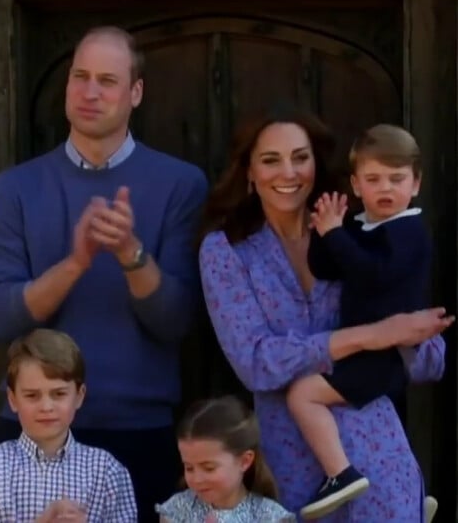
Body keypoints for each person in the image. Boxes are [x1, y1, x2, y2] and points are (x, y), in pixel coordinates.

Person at [0, 25, 208, 522]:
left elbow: (177, 321)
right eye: (79, 76)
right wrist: (76, 263)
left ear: (136, 92)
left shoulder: (180, 184)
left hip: (139, 431)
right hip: (31, 435)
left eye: (107, 80)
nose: (89, 91)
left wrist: (130, 254)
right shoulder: (14, 189)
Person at [198, 107, 452, 521]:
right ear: (249, 171)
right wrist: (372, 336)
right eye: (270, 160)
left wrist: (412, 338)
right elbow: (257, 363)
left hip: (380, 457)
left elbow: (430, 358)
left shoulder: (358, 233)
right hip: (294, 465)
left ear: (316, 165)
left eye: (300, 157)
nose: (288, 172)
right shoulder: (226, 251)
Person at [286, 125, 433, 519]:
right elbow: (325, 267)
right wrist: (325, 228)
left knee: (303, 394)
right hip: (363, 350)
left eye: (397, 179)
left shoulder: (408, 231)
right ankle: (410, 496)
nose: (386, 188)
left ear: (416, 184)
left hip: (381, 357)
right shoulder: (365, 227)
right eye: (373, 179)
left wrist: (337, 234)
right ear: (356, 184)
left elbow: (372, 274)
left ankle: (341, 474)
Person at [0, 329, 137, 522]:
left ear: (79, 396)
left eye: (59, 394)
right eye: (32, 395)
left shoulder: (107, 470)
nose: (46, 407)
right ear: (13, 399)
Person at [156, 396, 295, 522]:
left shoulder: (270, 517)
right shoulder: (176, 511)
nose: (197, 479)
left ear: (244, 461)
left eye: (209, 468)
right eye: (189, 468)